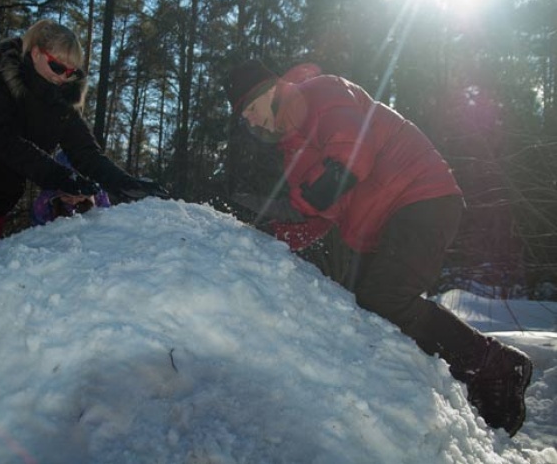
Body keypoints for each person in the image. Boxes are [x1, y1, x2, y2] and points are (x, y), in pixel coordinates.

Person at [224, 59, 533, 437]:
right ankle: (469, 377)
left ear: (270, 91)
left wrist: (313, 194)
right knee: (366, 310)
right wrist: (269, 237)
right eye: (245, 119)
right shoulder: (293, 152)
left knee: (383, 297)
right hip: (383, 224)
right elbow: (321, 214)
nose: (252, 123)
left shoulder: (324, 92)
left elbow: (353, 154)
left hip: (421, 195)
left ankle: (495, 365)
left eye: (251, 110)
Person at [0, 19, 167, 254]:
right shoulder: (0, 80)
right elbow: (3, 141)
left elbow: (86, 153)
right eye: (57, 67)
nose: (63, 77)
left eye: (71, 72)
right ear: (35, 54)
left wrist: (125, 183)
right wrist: (60, 177)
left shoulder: (62, 105)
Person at [30, 151, 111, 226]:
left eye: (80, 196)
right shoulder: (44, 206)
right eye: (66, 196)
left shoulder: (99, 201)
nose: (73, 201)